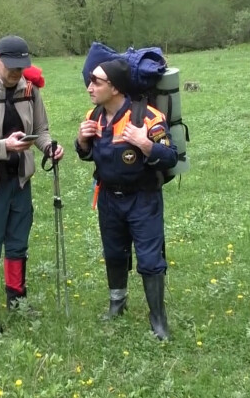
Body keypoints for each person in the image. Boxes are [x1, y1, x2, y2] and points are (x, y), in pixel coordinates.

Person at [0, 35, 64, 334]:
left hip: (20, 181)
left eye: (22, 66)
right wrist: (4, 146)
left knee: (18, 243)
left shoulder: (30, 91)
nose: (18, 72)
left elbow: (41, 129)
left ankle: (17, 298)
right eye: (12, 67)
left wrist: (48, 147)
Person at [74, 58, 177, 341]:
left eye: (96, 82)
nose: (90, 87)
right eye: (90, 81)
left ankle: (158, 319)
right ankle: (116, 304)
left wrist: (145, 144)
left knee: (149, 259)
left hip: (143, 199)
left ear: (116, 88)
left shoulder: (148, 117)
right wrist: (82, 142)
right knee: (114, 253)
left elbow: (170, 156)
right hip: (108, 198)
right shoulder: (93, 116)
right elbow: (88, 155)